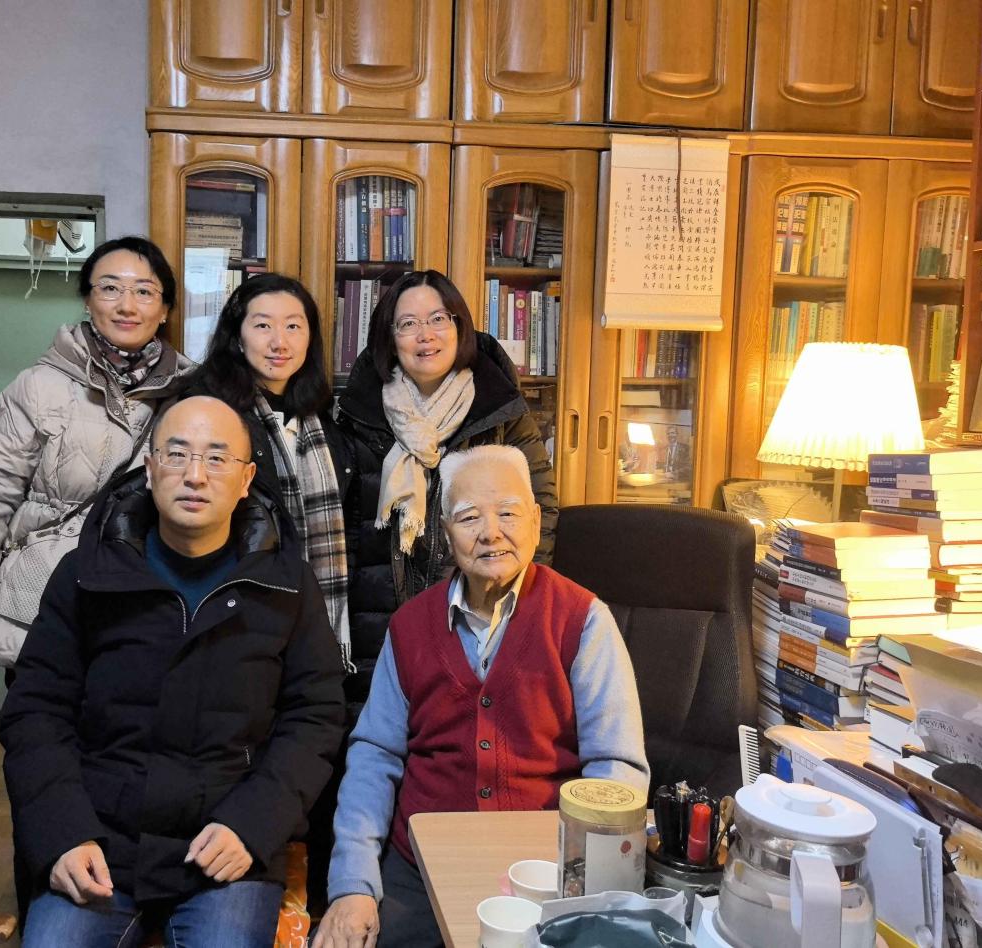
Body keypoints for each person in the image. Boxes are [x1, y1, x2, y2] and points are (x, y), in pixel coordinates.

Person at [0, 396, 346, 947]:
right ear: (150, 467)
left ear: (246, 479)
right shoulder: (86, 574)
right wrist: (63, 832)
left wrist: (253, 824)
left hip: (225, 845)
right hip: (99, 839)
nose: (195, 475)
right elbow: (35, 712)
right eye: (177, 454)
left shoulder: (286, 583)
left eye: (217, 459)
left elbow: (316, 717)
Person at [313, 445, 649, 948]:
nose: (491, 532)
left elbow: (616, 769)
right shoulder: (409, 627)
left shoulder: (582, 620)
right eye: (470, 517)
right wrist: (352, 885)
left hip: (545, 869)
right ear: (445, 532)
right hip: (420, 868)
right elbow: (374, 757)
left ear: (535, 521)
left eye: (508, 513)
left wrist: (580, 885)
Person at [0, 235, 193, 686]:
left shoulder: (188, 395)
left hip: (143, 610)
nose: (126, 305)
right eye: (110, 288)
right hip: (45, 608)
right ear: (87, 300)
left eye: (144, 291)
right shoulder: (39, 387)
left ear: (164, 310)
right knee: (41, 727)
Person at [337, 269, 557, 704]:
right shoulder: (359, 415)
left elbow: (540, 514)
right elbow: (346, 528)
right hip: (378, 620)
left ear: (460, 327)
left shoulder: (501, 412)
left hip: (480, 616)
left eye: (439, 319)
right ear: (390, 339)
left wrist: (515, 607)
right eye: (408, 323)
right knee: (383, 732)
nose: (426, 335)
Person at [180, 273, 355, 671]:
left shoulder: (324, 421)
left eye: (293, 326)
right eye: (263, 326)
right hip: (232, 615)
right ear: (237, 337)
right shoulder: (208, 412)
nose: (280, 342)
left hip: (314, 622)